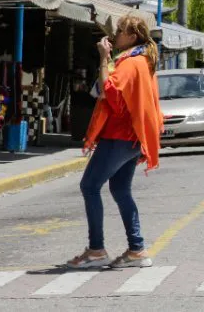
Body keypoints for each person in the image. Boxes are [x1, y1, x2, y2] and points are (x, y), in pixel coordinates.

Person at [66, 15, 163, 270]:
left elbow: (111, 94)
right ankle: (137, 249)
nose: (116, 34)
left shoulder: (130, 63)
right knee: (120, 190)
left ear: (132, 37)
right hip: (133, 138)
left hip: (119, 136)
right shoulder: (144, 60)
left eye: (120, 31)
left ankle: (96, 250)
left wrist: (103, 58)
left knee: (89, 186)